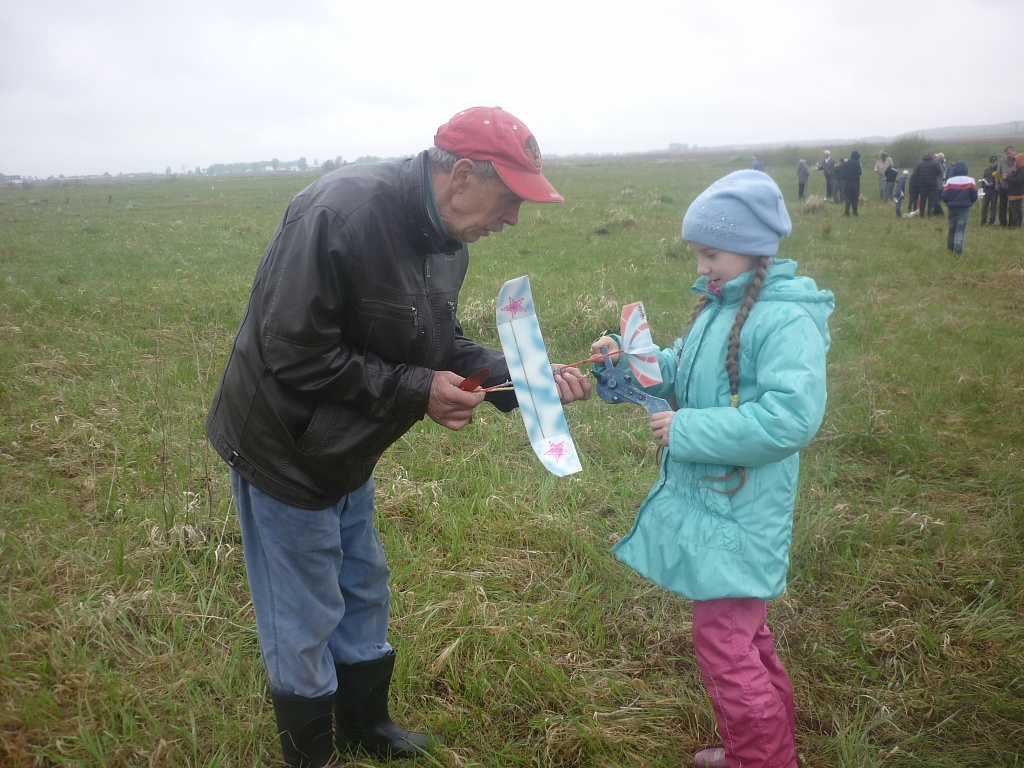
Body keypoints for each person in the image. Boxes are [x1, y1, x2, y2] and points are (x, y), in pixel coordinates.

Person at [205, 106, 592, 767]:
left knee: (364, 584)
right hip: (284, 447)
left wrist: (527, 379)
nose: (513, 220)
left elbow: (437, 344)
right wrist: (417, 390)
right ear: (463, 176)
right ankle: (311, 754)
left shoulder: (448, 242)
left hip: (349, 447)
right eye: (510, 200)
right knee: (304, 608)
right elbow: (291, 349)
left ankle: (365, 725)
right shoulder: (340, 213)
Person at [590, 171, 833, 768]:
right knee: (744, 636)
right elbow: (683, 368)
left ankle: (759, 760)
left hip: (745, 511)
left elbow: (791, 419)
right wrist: (633, 360)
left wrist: (687, 430)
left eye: (711, 253)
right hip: (722, 503)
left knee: (724, 644)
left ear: (752, 247)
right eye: (697, 253)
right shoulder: (720, 305)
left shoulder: (785, 320)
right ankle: (769, 751)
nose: (701, 266)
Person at [941, 161, 979, 254]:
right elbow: (974, 196)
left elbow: (944, 196)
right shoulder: (970, 180)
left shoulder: (950, 181)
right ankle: (959, 248)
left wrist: (947, 202)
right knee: (960, 228)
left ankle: (950, 247)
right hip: (964, 208)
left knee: (951, 227)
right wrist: (971, 201)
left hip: (952, 207)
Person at [913, 153, 943, 218]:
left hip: (922, 184)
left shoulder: (920, 163)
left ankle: (922, 214)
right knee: (931, 200)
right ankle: (929, 214)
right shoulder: (935, 163)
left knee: (923, 200)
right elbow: (940, 171)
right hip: (932, 184)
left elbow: (916, 173)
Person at [997, 145, 1018, 227]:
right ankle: (1003, 223)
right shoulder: (1002, 161)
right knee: (1002, 206)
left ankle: (1012, 223)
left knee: (1012, 206)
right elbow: (997, 173)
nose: (1008, 155)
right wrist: (998, 183)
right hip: (1003, 187)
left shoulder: (1018, 161)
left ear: (1014, 151)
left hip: (1013, 187)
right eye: (1007, 154)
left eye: (1009, 153)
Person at [979, 155, 1000, 226]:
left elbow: (1000, 180)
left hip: (994, 191)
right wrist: (981, 190)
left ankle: (992, 222)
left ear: (997, 162)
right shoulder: (987, 170)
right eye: (991, 162)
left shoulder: (998, 170)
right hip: (987, 190)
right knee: (984, 206)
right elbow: (983, 180)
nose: (992, 163)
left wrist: (993, 183)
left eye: (994, 162)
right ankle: (983, 222)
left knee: (993, 207)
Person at [1006, 151, 1024, 229]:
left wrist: (1007, 178)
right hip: (1015, 193)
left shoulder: (1021, 170)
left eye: (1016, 160)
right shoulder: (1018, 170)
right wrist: (1007, 177)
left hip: (1017, 193)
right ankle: (1017, 224)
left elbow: (1017, 181)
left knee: (1015, 210)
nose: (1014, 163)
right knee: (1016, 209)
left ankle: (1015, 225)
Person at [843, 150, 863, 216]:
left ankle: (847, 212)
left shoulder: (846, 163)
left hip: (847, 183)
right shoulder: (857, 163)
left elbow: (843, 172)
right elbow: (859, 172)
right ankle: (855, 212)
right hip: (855, 183)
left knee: (848, 197)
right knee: (855, 197)